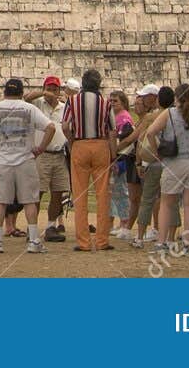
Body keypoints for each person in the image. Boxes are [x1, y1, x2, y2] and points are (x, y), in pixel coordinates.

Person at [0, 77, 53, 253]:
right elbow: (50, 128)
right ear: (21, 93)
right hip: (25, 159)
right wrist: (40, 148)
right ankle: (34, 240)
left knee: (0, 201)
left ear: (5, 92)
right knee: (30, 201)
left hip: (2, 160)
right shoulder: (29, 108)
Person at [144, 82, 189, 255]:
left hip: (175, 162)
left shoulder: (169, 113)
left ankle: (161, 242)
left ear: (175, 98)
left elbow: (150, 132)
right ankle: (187, 244)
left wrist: (156, 152)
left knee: (167, 203)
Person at [61, 69, 118, 252]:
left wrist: (72, 142)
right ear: (98, 84)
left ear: (83, 83)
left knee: (80, 195)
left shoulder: (72, 100)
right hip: (101, 146)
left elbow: (65, 126)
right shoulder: (106, 103)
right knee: (103, 195)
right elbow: (112, 131)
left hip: (80, 145)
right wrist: (113, 154)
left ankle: (84, 242)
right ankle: (102, 240)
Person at [131, 85, 173, 247]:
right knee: (171, 199)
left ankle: (140, 237)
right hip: (170, 162)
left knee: (147, 199)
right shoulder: (176, 116)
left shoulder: (151, 117)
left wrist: (138, 162)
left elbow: (141, 141)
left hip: (154, 161)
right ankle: (169, 237)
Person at [30, 76, 70, 241]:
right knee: (37, 193)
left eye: (54, 89)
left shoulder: (64, 107)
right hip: (42, 154)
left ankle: (50, 226)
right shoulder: (38, 104)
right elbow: (26, 98)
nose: (51, 92)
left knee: (58, 192)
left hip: (60, 154)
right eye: (49, 89)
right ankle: (32, 229)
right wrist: (44, 93)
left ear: (59, 91)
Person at [108, 90, 135, 238]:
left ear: (123, 103)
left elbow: (125, 138)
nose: (112, 103)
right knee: (115, 191)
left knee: (121, 192)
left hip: (121, 159)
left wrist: (115, 152)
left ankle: (125, 222)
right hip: (116, 157)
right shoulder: (114, 116)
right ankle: (119, 221)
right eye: (111, 101)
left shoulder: (124, 118)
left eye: (115, 101)